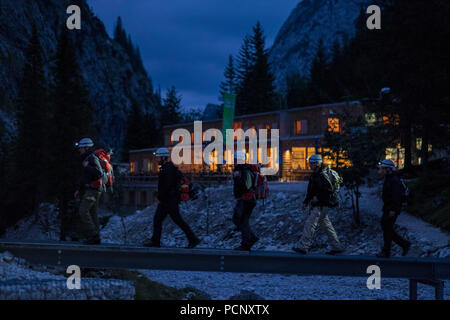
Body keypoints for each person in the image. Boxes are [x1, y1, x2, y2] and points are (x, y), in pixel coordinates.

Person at [143, 147, 200, 249]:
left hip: (169, 200)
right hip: (167, 200)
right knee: (158, 219)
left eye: (158, 157)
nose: (157, 159)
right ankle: (156, 241)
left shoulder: (167, 169)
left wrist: (159, 197)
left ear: (164, 158)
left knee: (177, 220)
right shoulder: (167, 167)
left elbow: (167, 186)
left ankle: (193, 239)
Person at [293, 154, 344, 255]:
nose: (309, 165)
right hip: (319, 204)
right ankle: (336, 247)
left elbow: (329, 190)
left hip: (322, 204)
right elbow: (310, 191)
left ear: (317, 163)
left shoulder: (323, 175)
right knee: (327, 227)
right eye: (309, 163)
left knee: (310, 224)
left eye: (311, 163)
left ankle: (303, 247)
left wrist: (318, 197)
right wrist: (305, 202)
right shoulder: (314, 175)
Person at [376, 159, 411, 258]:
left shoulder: (394, 180)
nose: (381, 170)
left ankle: (387, 251)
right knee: (386, 228)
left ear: (388, 169)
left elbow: (397, 196)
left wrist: (393, 210)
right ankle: (403, 244)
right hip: (388, 207)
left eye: (382, 168)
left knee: (387, 228)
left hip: (392, 208)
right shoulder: (389, 178)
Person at [74, 138, 104, 245]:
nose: (79, 150)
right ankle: (96, 238)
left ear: (87, 147)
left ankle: (93, 235)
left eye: (81, 148)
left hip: (92, 190)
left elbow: (98, 173)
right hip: (93, 189)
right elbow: (84, 177)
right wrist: (79, 189)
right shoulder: (88, 158)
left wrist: (87, 167)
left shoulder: (91, 158)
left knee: (83, 211)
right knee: (93, 213)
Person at [232, 151, 259, 251]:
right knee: (241, 220)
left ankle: (247, 242)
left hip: (246, 199)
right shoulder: (243, 170)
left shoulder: (244, 170)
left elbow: (247, 186)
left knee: (240, 220)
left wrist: (238, 178)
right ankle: (249, 240)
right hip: (247, 199)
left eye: (235, 159)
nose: (233, 161)